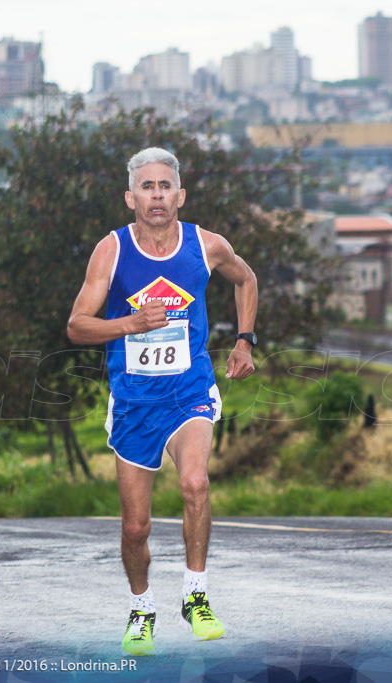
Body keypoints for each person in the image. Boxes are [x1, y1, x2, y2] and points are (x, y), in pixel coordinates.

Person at [67, 147, 258, 656]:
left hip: (190, 392)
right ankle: (141, 607)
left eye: (164, 186)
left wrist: (244, 340)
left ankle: (195, 596)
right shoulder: (112, 250)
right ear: (131, 197)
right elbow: (77, 325)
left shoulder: (207, 245)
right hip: (134, 404)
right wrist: (129, 323)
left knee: (195, 482)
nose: (157, 195)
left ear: (180, 195)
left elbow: (246, 279)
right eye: (146, 187)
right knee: (136, 527)